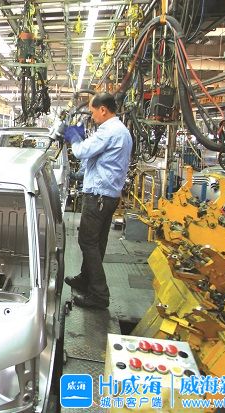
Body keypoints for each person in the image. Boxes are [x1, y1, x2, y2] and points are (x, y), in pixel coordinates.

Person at [65, 92, 132, 310]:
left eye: (93, 112)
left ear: (103, 109)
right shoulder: (121, 130)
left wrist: (74, 138)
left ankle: (99, 295)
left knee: (87, 241)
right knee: (97, 242)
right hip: (109, 196)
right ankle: (86, 280)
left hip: (98, 197)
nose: (92, 117)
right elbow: (96, 158)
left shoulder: (108, 131)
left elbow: (81, 152)